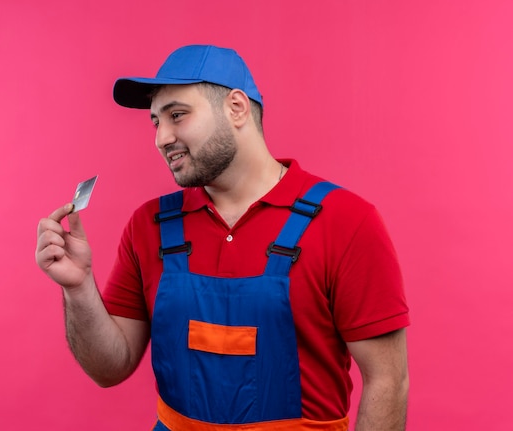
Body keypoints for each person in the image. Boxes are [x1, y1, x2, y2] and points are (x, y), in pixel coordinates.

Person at [36, 45, 409, 431]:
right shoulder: (149, 225)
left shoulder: (346, 221)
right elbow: (109, 368)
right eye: (155, 122)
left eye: (177, 115)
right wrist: (78, 289)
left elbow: (388, 380)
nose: (161, 138)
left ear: (236, 108)